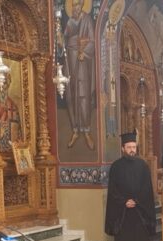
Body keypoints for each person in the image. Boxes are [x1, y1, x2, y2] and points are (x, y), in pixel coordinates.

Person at [105, 131, 156, 241]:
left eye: (134, 147)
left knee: (140, 238)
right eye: (129, 147)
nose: (132, 150)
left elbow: (147, 188)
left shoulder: (143, 165)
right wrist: (124, 202)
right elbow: (113, 190)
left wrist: (136, 201)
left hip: (139, 210)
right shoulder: (116, 167)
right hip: (123, 211)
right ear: (123, 148)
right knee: (124, 239)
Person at [63, 0, 95, 150]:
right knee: (72, 94)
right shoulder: (70, 21)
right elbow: (63, 40)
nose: (74, 8)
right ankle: (75, 130)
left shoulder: (87, 19)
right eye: (72, 5)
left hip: (82, 59)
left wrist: (84, 52)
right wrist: (60, 40)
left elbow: (92, 41)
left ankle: (87, 131)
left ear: (81, 5)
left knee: (83, 95)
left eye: (76, 5)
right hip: (70, 58)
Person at [0, 73, 21, 152]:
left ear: (9, 85)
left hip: (10, 148)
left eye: (6, 83)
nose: (3, 87)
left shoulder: (13, 106)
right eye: (2, 83)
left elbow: (17, 132)